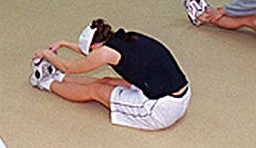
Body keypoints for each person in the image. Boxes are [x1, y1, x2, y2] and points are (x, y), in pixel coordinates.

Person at [30, 19, 190, 131]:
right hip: (180, 95)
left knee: (96, 89)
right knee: (107, 81)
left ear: (95, 46)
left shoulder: (105, 53)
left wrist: (46, 53)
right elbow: (91, 54)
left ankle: (45, 82)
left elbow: (68, 67)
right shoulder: (124, 38)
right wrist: (64, 44)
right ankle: (58, 78)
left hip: (161, 110)